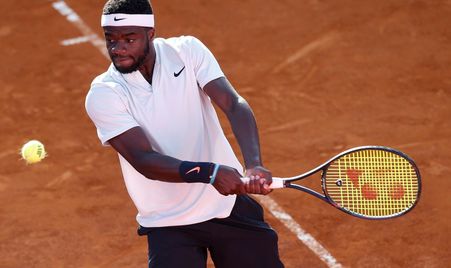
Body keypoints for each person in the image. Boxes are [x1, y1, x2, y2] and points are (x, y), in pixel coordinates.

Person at [85, 0, 284, 267]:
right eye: (111, 39)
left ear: (150, 34)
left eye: (129, 39)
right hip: (169, 223)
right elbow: (144, 160)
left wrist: (254, 163)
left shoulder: (186, 51)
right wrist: (210, 173)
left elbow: (233, 104)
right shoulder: (105, 93)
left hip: (226, 207)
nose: (117, 49)